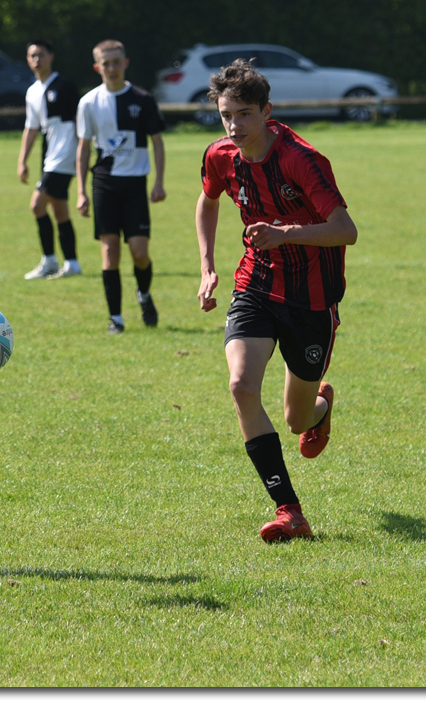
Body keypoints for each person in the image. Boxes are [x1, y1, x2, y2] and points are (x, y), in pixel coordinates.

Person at [195, 58, 358, 543]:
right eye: (227, 114)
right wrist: (207, 266)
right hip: (256, 287)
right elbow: (207, 201)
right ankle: (290, 511)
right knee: (242, 386)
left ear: (267, 111)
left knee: (296, 419)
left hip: (312, 300)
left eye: (244, 114)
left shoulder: (301, 160)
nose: (234, 125)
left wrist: (287, 233)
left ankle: (319, 411)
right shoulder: (220, 155)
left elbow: (346, 231)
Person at [76, 39, 166, 333]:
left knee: (139, 253)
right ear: (97, 67)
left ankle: (144, 294)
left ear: (125, 63)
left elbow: (157, 142)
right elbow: (84, 148)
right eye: (106, 63)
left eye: (116, 62)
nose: (111, 68)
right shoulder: (88, 102)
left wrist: (159, 182)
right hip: (104, 184)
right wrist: (81, 191)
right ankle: (115, 318)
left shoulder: (142, 99)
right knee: (110, 249)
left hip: (135, 185)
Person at [17, 39, 81, 280]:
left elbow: (79, 121)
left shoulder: (64, 86)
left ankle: (49, 261)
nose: (37, 60)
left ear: (51, 57)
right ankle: (72, 264)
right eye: (32, 55)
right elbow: (31, 128)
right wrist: (22, 160)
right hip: (49, 155)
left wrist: (80, 155)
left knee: (37, 204)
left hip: (65, 155)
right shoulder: (32, 91)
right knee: (59, 210)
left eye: (41, 55)